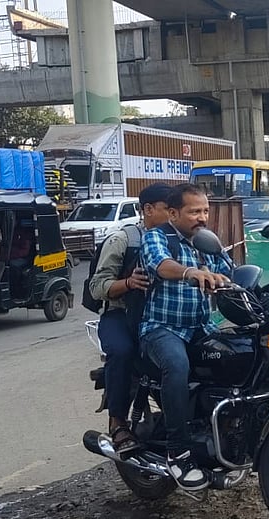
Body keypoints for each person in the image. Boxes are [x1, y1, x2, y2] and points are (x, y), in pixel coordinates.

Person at [139, 184, 231, 491]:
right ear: (174, 213)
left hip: (201, 327)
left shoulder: (207, 242)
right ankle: (178, 452)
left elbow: (229, 271)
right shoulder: (157, 237)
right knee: (177, 365)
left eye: (205, 211)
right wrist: (190, 272)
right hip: (162, 328)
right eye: (194, 212)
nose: (202, 217)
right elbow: (161, 265)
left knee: (241, 357)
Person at [88, 182, 173, 456]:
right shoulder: (123, 240)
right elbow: (97, 287)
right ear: (148, 209)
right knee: (123, 351)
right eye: (168, 209)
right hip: (121, 314)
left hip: (160, 316)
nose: (173, 214)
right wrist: (128, 283)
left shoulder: (178, 239)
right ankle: (118, 422)